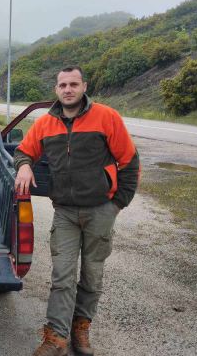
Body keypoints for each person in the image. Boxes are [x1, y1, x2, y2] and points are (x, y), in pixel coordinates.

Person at [14, 66, 140, 356]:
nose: (67, 89)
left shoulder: (106, 117)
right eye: (62, 85)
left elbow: (130, 161)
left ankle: (81, 328)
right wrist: (23, 165)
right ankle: (56, 337)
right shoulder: (46, 123)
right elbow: (24, 150)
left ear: (84, 86)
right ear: (56, 90)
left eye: (73, 84)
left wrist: (118, 203)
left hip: (100, 210)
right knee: (62, 276)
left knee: (92, 275)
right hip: (66, 213)